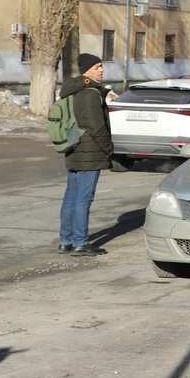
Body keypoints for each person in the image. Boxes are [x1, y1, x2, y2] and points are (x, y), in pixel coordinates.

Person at [58, 53, 113, 257]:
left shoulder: (73, 91)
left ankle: (66, 240)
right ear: (88, 70)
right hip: (89, 151)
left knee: (71, 197)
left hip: (74, 147)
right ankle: (80, 242)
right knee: (83, 199)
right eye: (98, 66)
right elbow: (96, 126)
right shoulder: (89, 94)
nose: (102, 70)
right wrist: (108, 149)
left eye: (102, 66)